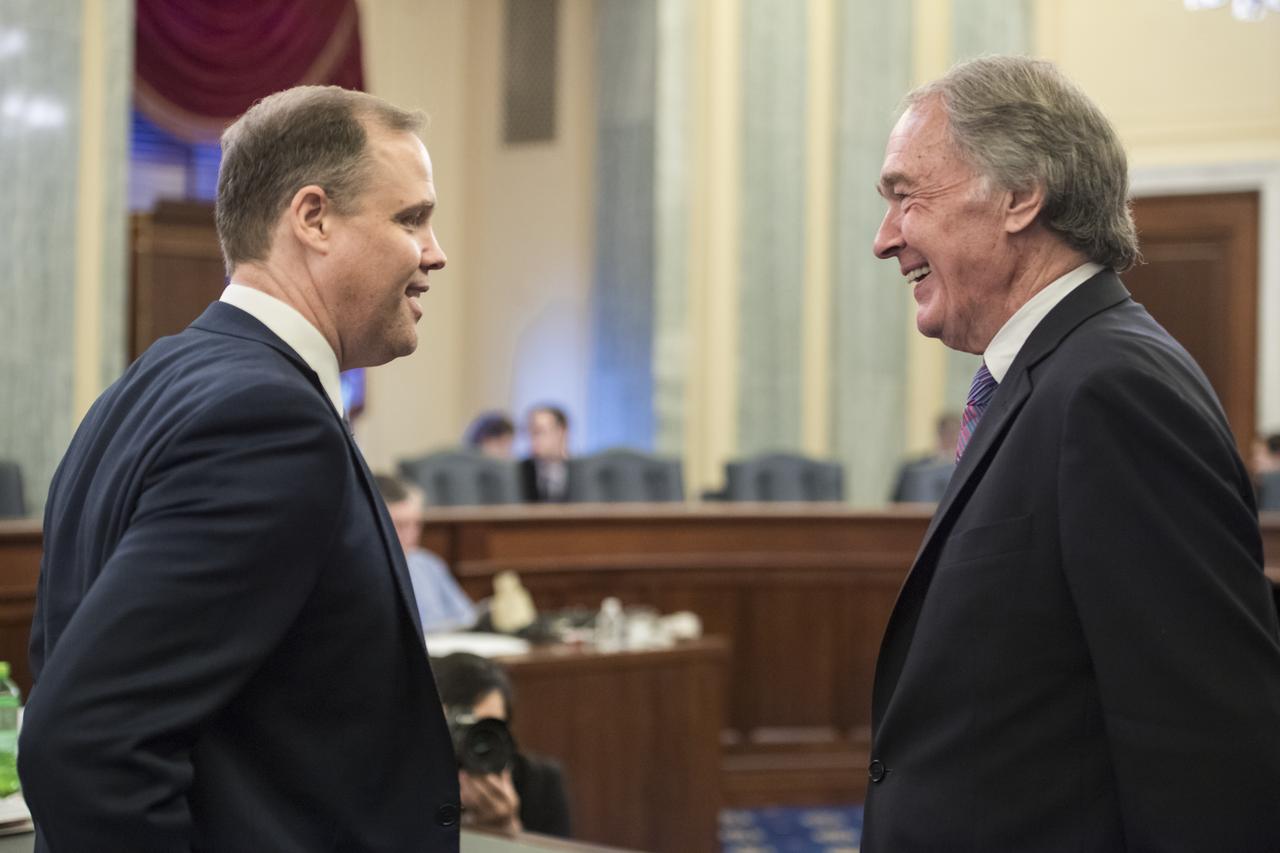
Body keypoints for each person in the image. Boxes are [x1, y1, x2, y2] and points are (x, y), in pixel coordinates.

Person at [20, 86, 462, 852]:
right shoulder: (269, 420)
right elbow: (87, 741)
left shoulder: (149, 382)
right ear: (313, 217)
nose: (435, 252)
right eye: (410, 218)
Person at [864, 55, 1280, 851]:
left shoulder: (1112, 389)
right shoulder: (1054, 374)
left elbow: (1205, 745)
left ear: (1020, 196)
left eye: (906, 194)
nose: (887, 239)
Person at [431, 652, 572, 838]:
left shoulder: (538, 783)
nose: (470, 743)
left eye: (484, 730)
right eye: (458, 729)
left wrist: (509, 830)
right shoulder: (411, 781)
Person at [376, 474, 477, 633]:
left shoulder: (428, 563)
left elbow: (467, 618)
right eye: (400, 525)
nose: (411, 534)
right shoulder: (363, 574)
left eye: (416, 524)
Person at [888, 412, 959, 503]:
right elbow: (895, 504)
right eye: (947, 432)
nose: (951, 437)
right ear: (939, 434)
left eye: (954, 433)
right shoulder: (912, 469)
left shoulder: (967, 468)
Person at [519, 404, 571, 502]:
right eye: (529, 432)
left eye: (538, 431)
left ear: (561, 432)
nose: (532, 438)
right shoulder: (519, 474)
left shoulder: (579, 474)